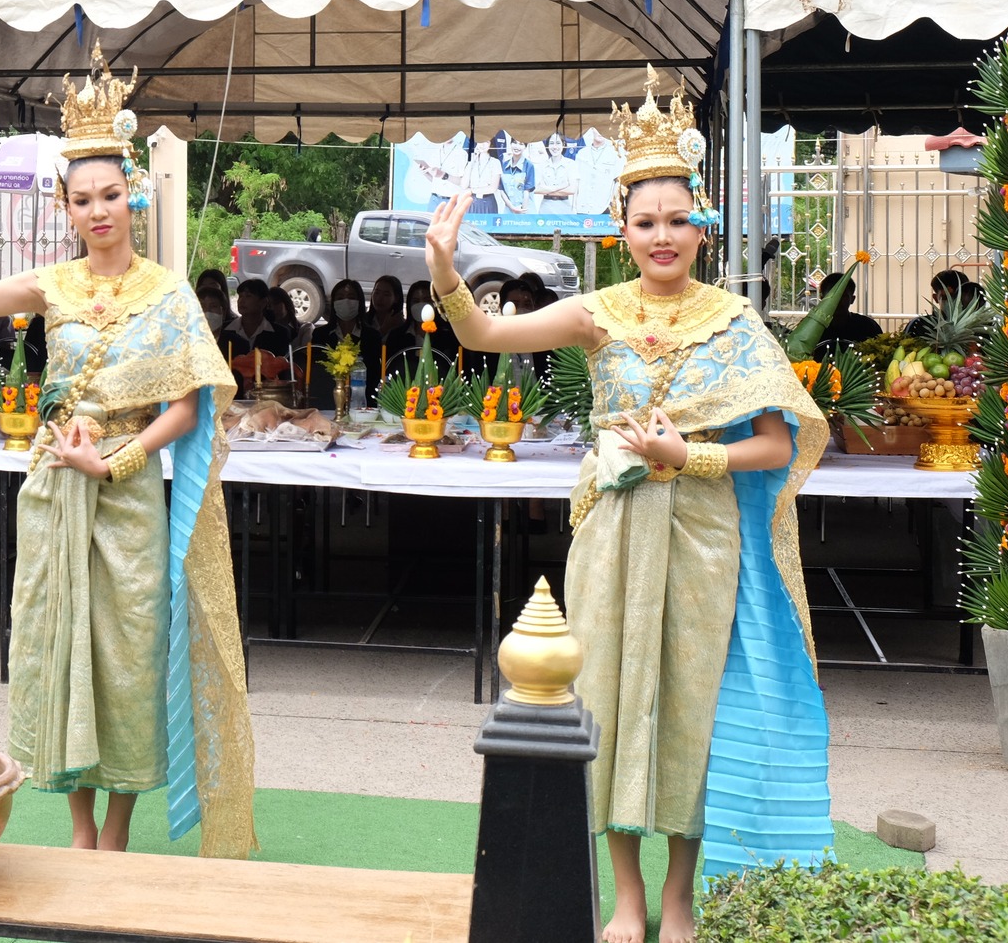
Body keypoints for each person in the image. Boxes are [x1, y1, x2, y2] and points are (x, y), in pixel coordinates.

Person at [423, 72, 829, 943]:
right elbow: (483, 335)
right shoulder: (596, 313)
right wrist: (444, 267)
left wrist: (691, 455)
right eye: (645, 222)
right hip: (610, 535)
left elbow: (777, 442)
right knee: (604, 702)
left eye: (678, 219)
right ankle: (628, 898)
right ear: (622, 229)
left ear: (702, 225)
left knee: (690, 708)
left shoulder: (734, 321)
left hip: (705, 535)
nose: (663, 236)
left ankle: (677, 902)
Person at [0, 42, 256, 859]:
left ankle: (116, 833)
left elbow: (188, 405)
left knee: (127, 655)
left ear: (132, 196)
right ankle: (79, 836)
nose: (99, 210)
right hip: (55, 491)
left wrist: (115, 461)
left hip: (127, 491)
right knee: (62, 644)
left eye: (111, 193)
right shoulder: (50, 286)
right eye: (83, 199)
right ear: (66, 207)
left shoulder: (169, 292)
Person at [302, 279, 364, 409]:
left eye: (351, 297)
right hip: (325, 399)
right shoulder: (321, 334)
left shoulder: (371, 335)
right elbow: (317, 371)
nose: (346, 302)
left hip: (361, 400)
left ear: (360, 302)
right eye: (340, 298)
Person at [809, 269, 882, 356]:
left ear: (852, 299)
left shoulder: (868, 327)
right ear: (822, 298)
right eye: (831, 296)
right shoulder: (809, 328)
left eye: (843, 296)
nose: (837, 301)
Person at [902, 269, 981, 345]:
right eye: (947, 296)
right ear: (935, 298)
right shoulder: (918, 325)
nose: (953, 302)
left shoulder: (980, 327)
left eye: (958, 297)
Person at [364, 274, 411, 395]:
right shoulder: (364, 321)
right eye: (377, 292)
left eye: (386, 294)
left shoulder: (402, 326)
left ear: (396, 298)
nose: (379, 298)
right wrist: (384, 329)